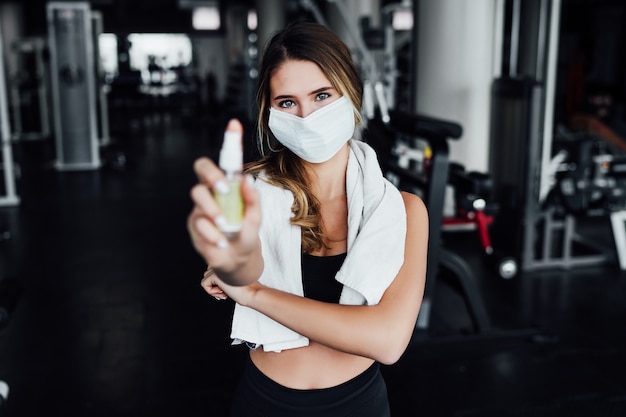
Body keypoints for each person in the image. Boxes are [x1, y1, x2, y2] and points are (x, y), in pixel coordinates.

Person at [187, 21, 428, 416]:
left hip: (358, 405)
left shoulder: (402, 210)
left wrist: (253, 294)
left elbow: (387, 341)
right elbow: (235, 260)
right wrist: (231, 265)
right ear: (269, 112)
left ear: (351, 93)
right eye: (287, 102)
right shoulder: (249, 193)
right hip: (264, 402)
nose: (306, 116)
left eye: (321, 95)